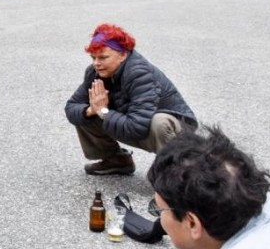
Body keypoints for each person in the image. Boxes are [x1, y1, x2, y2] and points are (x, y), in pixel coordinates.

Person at [64, 23, 196, 175]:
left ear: (123, 54)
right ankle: (116, 160)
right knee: (86, 111)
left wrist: (103, 111)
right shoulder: (95, 72)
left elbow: (136, 128)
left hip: (176, 129)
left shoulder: (139, 73)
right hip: (133, 121)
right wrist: (91, 110)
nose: (96, 63)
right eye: (93, 58)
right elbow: (72, 106)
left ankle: (176, 176)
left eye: (103, 57)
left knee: (159, 122)